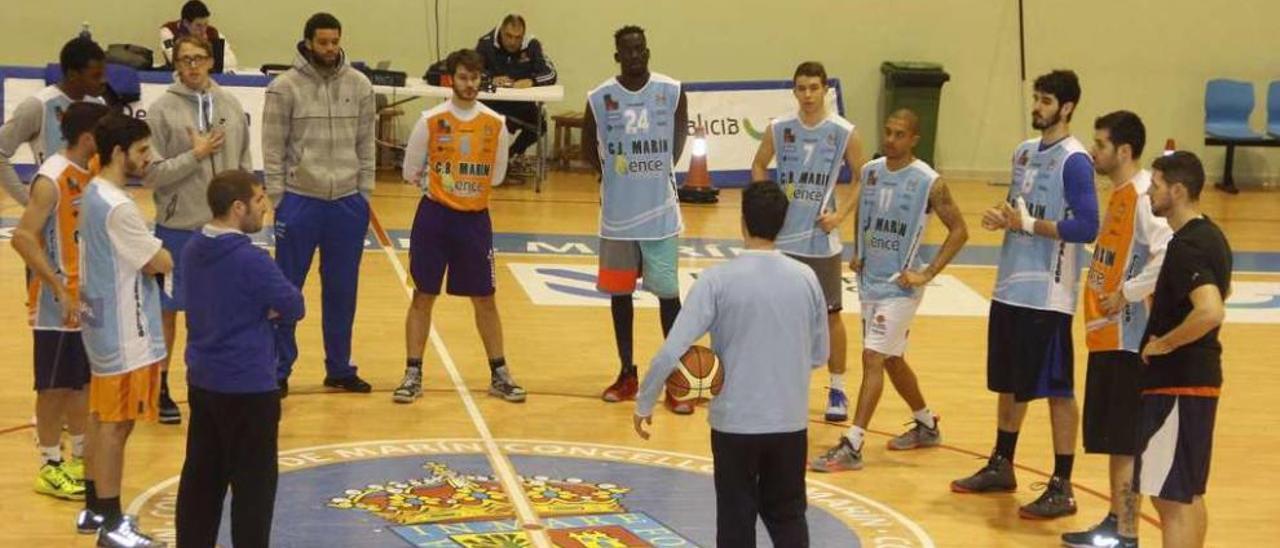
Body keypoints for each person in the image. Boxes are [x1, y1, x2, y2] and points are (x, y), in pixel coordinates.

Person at [634, 182, 828, 547]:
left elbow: (670, 351)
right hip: (790, 423)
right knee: (788, 518)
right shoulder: (807, 279)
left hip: (735, 425)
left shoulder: (716, 280)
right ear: (783, 223)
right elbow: (819, 355)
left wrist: (646, 402)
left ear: (742, 222)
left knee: (735, 524)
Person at [951, 70, 1099, 520]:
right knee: (1010, 380)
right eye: (1035, 98)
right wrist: (1003, 216)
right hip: (1010, 285)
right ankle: (1002, 462)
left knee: (1056, 389)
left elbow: (1087, 227)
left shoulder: (1075, 161)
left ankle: (1062, 483)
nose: (1037, 106)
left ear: (1068, 107)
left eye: (1046, 100)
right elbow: (1021, 208)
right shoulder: (1023, 152)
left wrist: (1028, 225)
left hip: (1048, 294)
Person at [809, 109, 969, 472]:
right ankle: (926, 424)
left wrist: (927, 272)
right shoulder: (871, 171)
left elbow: (959, 230)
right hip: (870, 282)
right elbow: (864, 214)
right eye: (888, 131)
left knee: (872, 358)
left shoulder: (929, 181)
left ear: (914, 139)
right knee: (892, 358)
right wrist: (858, 253)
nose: (891, 139)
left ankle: (853, 444)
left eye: (900, 134)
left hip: (900, 288)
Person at [1062, 111, 1172, 548]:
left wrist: (1126, 292)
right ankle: (1115, 521)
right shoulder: (1121, 194)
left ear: (1124, 151)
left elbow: (1167, 255)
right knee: (1114, 440)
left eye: (1101, 144)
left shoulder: (1145, 196)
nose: (1094, 151)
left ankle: (1127, 533)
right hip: (1106, 335)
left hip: (1129, 339)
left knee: (1125, 439)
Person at [176, 170, 302, 548]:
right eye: (260, 201)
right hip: (249, 388)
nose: (265, 208)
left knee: (201, 480)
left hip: (203, 381)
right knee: (253, 493)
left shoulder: (193, 247)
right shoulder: (253, 260)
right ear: (238, 207)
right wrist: (266, 310)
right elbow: (294, 305)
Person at [393, 49, 525, 404]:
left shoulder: (495, 123)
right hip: (435, 218)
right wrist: (438, 186)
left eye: (475, 77)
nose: (470, 84)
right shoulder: (430, 120)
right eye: (463, 77)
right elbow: (410, 171)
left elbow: (496, 176)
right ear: (452, 79)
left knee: (485, 298)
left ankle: (499, 373)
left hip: (475, 221)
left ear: (481, 79)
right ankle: (412, 372)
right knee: (424, 295)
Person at [263, 12, 376, 396]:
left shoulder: (360, 85)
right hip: (300, 202)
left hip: (347, 204)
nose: (330, 49)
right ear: (308, 42)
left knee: (343, 290)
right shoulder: (284, 87)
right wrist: (279, 199)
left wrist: (364, 194)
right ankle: (278, 370)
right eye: (323, 42)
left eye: (335, 42)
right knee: (287, 291)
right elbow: (273, 148)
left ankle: (340, 367)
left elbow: (366, 144)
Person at [144, 33, 254, 425]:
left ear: (211, 61)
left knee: (215, 313)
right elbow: (151, 175)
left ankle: (208, 384)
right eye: (184, 59)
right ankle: (159, 385)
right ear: (175, 64)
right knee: (170, 313)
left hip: (223, 232)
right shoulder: (160, 111)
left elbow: (243, 165)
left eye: (198, 58)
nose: (191, 65)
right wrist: (196, 155)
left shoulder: (230, 104)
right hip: (178, 228)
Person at [582, 25, 690, 412]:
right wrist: (615, 177)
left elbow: (678, 143)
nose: (634, 56)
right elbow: (587, 149)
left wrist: (654, 172)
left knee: (668, 297)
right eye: (627, 51)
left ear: (647, 51)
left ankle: (676, 377)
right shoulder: (599, 98)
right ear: (617, 56)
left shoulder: (672, 91)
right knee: (620, 297)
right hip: (617, 219)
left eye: (640, 49)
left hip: (660, 215)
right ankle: (627, 372)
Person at [750, 60, 864, 423]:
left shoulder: (844, 131)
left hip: (821, 239)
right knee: (780, 313)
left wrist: (841, 215)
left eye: (814, 88)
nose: (808, 95)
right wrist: (768, 204)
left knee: (831, 314)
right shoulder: (780, 128)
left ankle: (838, 388)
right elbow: (758, 166)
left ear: (826, 89)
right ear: (794, 91)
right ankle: (777, 383)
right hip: (784, 239)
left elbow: (864, 177)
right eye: (801, 88)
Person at [10, 102, 110, 501]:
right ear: (88, 137)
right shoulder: (52, 177)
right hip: (58, 301)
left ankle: (82, 456)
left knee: (82, 382)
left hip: (89, 296)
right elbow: (22, 237)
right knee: (52, 386)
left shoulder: (94, 172)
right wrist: (56, 285)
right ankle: (50, 466)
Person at [77, 113, 169, 546]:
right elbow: (159, 262)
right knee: (117, 426)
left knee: (100, 417)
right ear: (118, 153)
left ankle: (94, 508)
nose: (148, 159)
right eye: (142, 152)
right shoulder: (119, 208)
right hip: (124, 327)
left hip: (100, 325)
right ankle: (113, 525)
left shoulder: (94, 191)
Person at [1135, 151, 1231, 548]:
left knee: (1170, 498)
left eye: (1155, 187)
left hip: (1177, 384)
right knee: (1187, 493)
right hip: (1197, 383)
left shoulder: (1187, 246)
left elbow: (1210, 310)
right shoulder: (1212, 235)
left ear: (1177, 190)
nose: (1150, 194)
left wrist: (1163, 343)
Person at [0, 37, 106, 205]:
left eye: (103, 74)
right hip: (54, 208)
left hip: (91, 210)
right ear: (72, 74)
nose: (103, 81)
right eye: (96, 76)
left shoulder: (99, 105)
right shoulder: (38, 105)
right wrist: (30, 202)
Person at [475, 14, 557, 167]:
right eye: (509, 36)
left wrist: (532, 81)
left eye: (517, 37)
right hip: (490, 105)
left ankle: (509, 155)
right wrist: (490, 79)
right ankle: (485, 161)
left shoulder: (532, 45)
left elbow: (551, 74)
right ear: (501, 32)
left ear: (523, 35)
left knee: (540, 126)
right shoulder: (485, 44)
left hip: (520, 104)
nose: (513, 42)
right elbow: (473, 73)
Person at [159, 0, 239, 72]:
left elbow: (232, 61)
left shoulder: (213, 33)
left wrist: (206, 46)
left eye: (206, 24)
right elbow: (175, 60)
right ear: (186, 23)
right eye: (198, 25)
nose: (203, 29)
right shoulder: (169, 31)